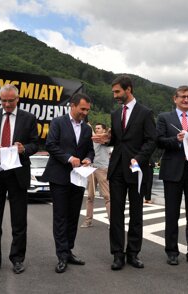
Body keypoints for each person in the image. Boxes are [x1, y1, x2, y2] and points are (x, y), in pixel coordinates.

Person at [92, 75, 156, 270]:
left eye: (117, 91)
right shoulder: (115, 114)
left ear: (128, 90)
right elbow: (119, 141)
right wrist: (106, 140)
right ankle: (118, 254)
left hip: (136, 169)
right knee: (116, 214)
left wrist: (139, 158)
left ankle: (133, 253)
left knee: (136, 213)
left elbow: (151, 140)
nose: (115, 95)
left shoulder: (145, 113)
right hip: (117, 169)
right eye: (114, 92)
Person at [0, 84, 38, 274]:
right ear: (0, 99)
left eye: (11, 100)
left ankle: (17, 259)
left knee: (19, 220)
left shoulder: (28, 118)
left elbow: (35, 144)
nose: (8, 104)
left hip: (17, 173)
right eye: (4, 101)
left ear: (17, 99)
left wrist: (24, 149)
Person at [156, 85, 188, 267]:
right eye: (183, 97)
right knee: (172, 213)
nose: (186, 100)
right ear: (175, 99)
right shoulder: (164, 118)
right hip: (172, 171)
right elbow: (159, 141)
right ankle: (171, 252)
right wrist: (176, 140)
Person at [42, 93, 94, 273]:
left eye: (87, 110)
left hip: (78, 177)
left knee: (73, 216)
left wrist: (88, 158)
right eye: (82, 109)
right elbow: (50, 145)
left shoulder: (87, 129)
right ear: (72, 106)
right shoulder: (57, 122)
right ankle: (61, 255)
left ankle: (69, 250)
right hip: (59, 177)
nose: (85, 113)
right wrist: (68, 158)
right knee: (60, 217)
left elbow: (90, 150)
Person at [81, 123, 110, 228]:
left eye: (99, 128)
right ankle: (88, 221)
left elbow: (99, 138)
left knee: (107, 196)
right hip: (91, 169)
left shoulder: (105, 138)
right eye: (96, 128)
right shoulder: (92, 138)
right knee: (90, 197)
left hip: (102, 169)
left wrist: (90, 128)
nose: (97, 130)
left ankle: (112, 221)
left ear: (104, 130)